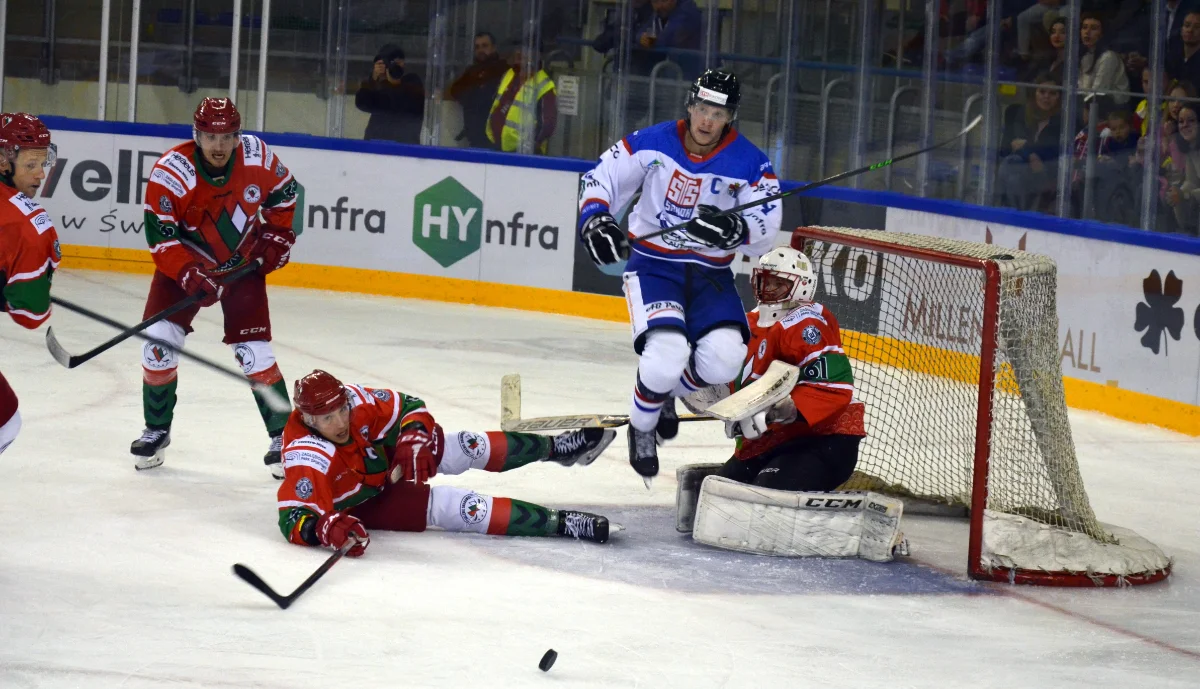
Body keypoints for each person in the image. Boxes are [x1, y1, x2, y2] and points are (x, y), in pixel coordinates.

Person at [577, 69, 782, 484]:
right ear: (690, 105)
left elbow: (767, 219)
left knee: (726, 359)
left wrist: (734, 230)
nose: (708, 120)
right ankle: (643, 425)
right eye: (703, 108)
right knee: (665, 355)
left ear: (731, 117)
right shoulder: (652, 142)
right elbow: (601, 177)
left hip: (711, 273)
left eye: (718, 112)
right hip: (654, 265)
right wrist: (595, 219)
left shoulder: (749, 162)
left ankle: (663, 393)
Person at [131, 98, 300, 477]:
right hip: (186, 264)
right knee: (158, 344)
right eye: (209, 136)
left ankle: (285, 438)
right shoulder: (171, 173)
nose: (218, 145)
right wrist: (189, 273)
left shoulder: (257, 157)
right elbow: (161, 239)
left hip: (242, 262)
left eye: (226, 136)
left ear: (238, 136)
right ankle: (157, 429)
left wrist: (277, 235)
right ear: (196, 135)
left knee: (253, 353)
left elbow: (286, 193)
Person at [276, 370, 616, 555]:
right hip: (365, 503)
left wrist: (414, 435)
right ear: (307, 419)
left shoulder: (356, 400)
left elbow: (410, 406)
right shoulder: (307, 456)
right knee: (459, 507)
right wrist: (326, 529)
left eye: (341, 411)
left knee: (463, 446)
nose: (339, 423)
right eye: (327, 419)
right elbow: (294, 516)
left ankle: (558, 447)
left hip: (383, 460)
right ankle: (561, 523)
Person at [706, 247, 865, 491]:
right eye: (764, 281)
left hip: (822, 440)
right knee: (719, 492)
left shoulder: (805, 323)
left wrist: (781, 410)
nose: (767, 289)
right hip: (772, 440)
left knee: (766, 493)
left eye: (777, 283)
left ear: (801, 286)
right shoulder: (747, 323)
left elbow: (833, 387)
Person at [0, 114, 60, 456]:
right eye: (32, 163)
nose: (41, 173)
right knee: (6, 422)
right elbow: (30, 314)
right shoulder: (28, 225)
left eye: (44, 161)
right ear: (4, 160)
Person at [996, 75, 1063, 211]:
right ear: (1034, 93)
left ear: (1059, 97)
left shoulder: (1062, 121)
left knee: (1012, 163)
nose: (1046, 97)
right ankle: (1016, 214)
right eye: (1042, 92)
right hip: (1021, 169)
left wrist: (1026, 148)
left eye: (1052, 93)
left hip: (1048, 172)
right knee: (1013, 167)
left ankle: (1009, 213)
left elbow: (1050, 152)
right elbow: (1007, 147)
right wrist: (1032, 155)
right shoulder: (1020, 113)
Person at [487, 43, 559, 154]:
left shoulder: (544, 84)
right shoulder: (509, 74)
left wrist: (529, 147)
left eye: (525, 50)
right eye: (518, 48)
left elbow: (547, 125)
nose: (519, 53)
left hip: (524, 154)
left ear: (537, 55)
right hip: (498, 147)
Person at [447, 32, 509, 149]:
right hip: (474, 137)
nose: (480, 50)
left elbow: (488, 99)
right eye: (477, 47)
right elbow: (455, 91)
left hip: (495, 140)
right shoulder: (472, 71)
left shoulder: (503, 70)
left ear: (494, 48)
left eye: (485, 46)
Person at [356, 44, 426, 145]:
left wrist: (395, 83)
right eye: (390, 63)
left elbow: (407, 105)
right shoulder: (379, 85)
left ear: (403, 63)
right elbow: (361, 104)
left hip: (405, 147)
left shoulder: (412, 81)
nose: (394, 67)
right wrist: (373, 78)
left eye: (397, 62)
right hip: (375, 146)